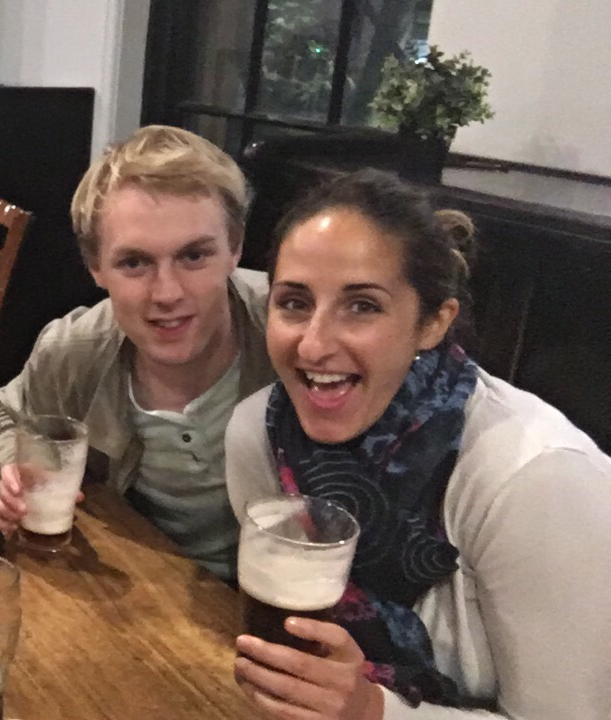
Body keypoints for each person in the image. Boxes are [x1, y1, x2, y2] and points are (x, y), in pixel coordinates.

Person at [225, 169, 611, 719]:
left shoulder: (538, 480)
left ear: (433, 323)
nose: (313, 344)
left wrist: (372, 711)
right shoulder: (257, 436)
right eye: (293, 302)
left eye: (362, 305)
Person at [0, 126, 274, 582]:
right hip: (141, 590)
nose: (167, 293)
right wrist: (16, 470)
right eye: (134, 262)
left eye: (194, 255)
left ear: (235, 247)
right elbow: (7, 416)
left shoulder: (293, 335)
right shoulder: (74, 349)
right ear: (95, 266)